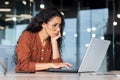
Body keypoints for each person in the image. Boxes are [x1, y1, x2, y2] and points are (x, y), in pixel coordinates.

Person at [15, 8, 72, 72]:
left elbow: (57, 67)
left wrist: (54, 42)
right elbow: (24, 65)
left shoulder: (51, 40)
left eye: (60, 26)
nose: (58, 29)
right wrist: (51, 65)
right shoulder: (27, 36)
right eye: (55, 25)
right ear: (44, 25)